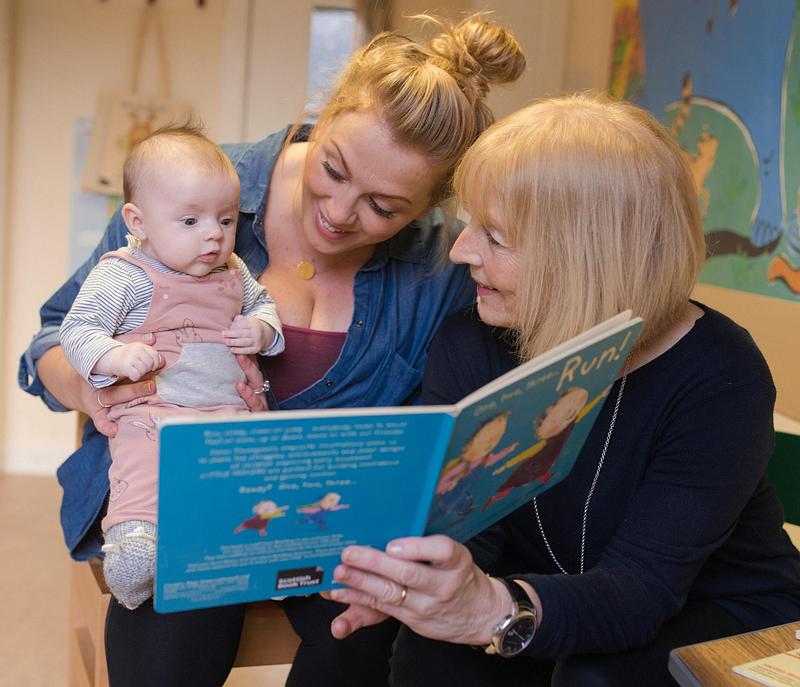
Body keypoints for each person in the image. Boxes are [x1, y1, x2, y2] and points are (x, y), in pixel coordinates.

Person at [19, 14, 525, 687]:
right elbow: (55, 332)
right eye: (334, 168)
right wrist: (94, 388)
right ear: (327, 110)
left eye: (383, 206)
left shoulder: (440, 270)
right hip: (176, 497)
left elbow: (454, 423)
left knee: (366, 642)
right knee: (176, 619)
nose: (340, 212)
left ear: (430, 207)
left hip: (334, 522)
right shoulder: (188, 190)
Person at [324, 93, 800, 687]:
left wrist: (490, 610)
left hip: (719, 617)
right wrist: (410, 582)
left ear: (588, 259)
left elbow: (640, 591)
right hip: (553, 588)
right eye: (471, 223)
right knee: (419, 653)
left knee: (592, 678)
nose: (460, 251)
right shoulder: (472, 340)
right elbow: (473, 525)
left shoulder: (721, 376)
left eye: (495, 237)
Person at [59, 125, 284, 610]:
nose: (213, 235)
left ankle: (240, 543)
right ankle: (135, 542)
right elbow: (76, 329)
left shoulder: (234, 272)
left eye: (225, 220)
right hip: (155, 408)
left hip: (226, 409)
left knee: (244, 475)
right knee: (141, 462)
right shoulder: (125, 275)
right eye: (190, 221)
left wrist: (262, 330)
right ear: (137, 222)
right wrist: (113, 357)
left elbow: (264, 305)